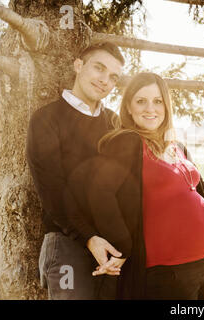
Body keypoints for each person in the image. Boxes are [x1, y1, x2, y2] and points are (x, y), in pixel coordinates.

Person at [80, 72, 204, 299]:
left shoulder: (175, 145)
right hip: (169, 272)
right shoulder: (126, 142)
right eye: (141, 101)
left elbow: (201, 187)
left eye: (158, 101)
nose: (151, 108)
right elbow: (100, 195)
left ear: (166, 106)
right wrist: (123, 246)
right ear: (129, 107)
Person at [26, 42, 125, 299]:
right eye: (99, 69)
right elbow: (52, 190)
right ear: (79, 65)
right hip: (67, 242)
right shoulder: (47, 118)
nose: (105, 80)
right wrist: (89, 237)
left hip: (113, 248)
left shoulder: (116, 124)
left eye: (113, 77)